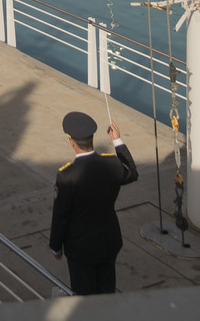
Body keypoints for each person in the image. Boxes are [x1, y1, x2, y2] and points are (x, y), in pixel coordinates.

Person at [48, 111, 138, 295]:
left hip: (81, 249)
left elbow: (61, 215)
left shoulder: (67, 176)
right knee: (107, 294)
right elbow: (132, 173)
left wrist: (56, 246)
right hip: (108, 242)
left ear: (72, 141)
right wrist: (117, 141)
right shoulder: (112, 164)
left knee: (85, 299)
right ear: (92, 138)